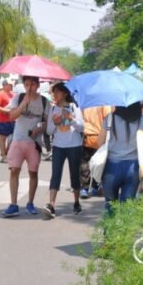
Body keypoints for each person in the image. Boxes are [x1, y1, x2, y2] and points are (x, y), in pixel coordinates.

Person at [2, 76, 50, 217]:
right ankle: (13, 204)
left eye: (33, 84)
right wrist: (23, 104)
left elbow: (46, 122)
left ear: (38, 85)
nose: (29, 87)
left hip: (34, 142)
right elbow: (12, 117)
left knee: (33, 172)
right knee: (14, 170)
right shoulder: (18, 98)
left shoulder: (44, 101)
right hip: (18, 139)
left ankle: (30, 203)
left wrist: (38, 128)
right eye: (27, 84)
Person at [43, 82, 85, 219]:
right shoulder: (53, 109)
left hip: (74, 145)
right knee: (55, 174)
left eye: (57, 92)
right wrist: (55, 123)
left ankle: (76, 202)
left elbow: (81, 127)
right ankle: (51, 204)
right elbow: (48, 131)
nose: (54, 95)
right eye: (53, 92)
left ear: (65, 93)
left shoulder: (74, 107)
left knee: (74, 175)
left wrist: (71, 119)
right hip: (58, 146)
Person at [99, 102, 143, 212]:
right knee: (127, 209)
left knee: (110, 206)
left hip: (111, 166)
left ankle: (110, 229)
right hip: (133, 167)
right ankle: (123, 229)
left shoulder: (110, 118)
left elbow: (100, 143)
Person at [80, 105, 113, 198]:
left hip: (86, 136)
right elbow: (108, 119)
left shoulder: (85, 104)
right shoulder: (105, 105)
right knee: (98, 163)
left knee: (85, 163)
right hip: (99, 137)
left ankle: (85, 188)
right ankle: (96, 185)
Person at [0, 79, 14, 162]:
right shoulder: (1, 94)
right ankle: (3, 155)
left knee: (13, 138)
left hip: (12, 119)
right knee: (2, 139)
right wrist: (5, 111)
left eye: (12, 85)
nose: (11, 86)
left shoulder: (12, 94)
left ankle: (6, 152)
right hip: (3, 120)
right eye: (9, 85)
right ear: (5, 85)